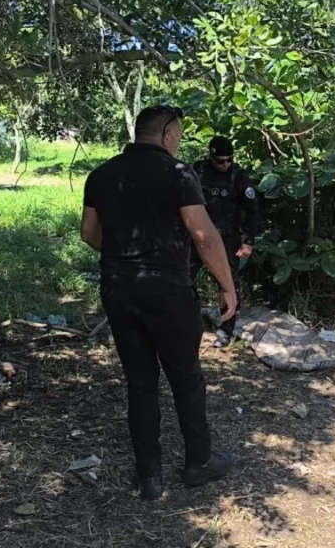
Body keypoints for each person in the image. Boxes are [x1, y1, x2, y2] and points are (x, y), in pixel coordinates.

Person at [80, 106, 235, 501]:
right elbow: (204, 236)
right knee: (186, 378)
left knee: (141, 383)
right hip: (167, 292)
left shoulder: (101, 175)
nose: (178, 143)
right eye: (178, 135)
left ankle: (149, 477)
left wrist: (124, 256)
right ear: (167, 134)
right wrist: (227, 286)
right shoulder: (179, 174)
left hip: (119, 290)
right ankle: (198, 463)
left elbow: (89, 234)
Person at [190, 136, 260, 347]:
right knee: (183, 278)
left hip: (227, 238)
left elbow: (253, 211)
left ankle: (226, 329)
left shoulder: (239, 176)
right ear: (211, 157)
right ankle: (186, 320)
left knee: (228, 283)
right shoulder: (198, 171)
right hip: (197, 236)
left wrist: (248, 242)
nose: (225, 165)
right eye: (220, 161)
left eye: (229, 160)